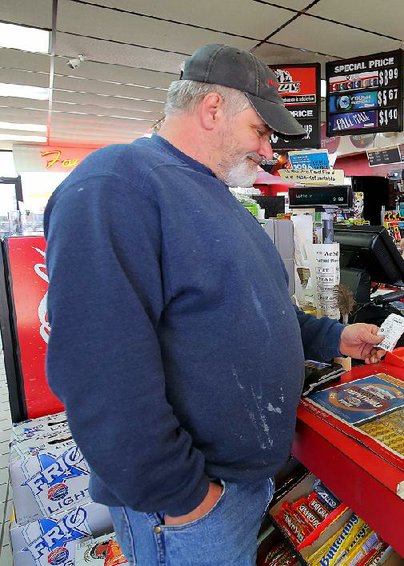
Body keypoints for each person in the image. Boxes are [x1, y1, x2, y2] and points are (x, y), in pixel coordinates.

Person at [44, 44, 385, 566]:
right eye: (260, 131)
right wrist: (186, 498)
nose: (269, 150)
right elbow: (98, 370)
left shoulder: (220, 197)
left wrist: (334, 336)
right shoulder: (117, 183)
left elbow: (257, 311)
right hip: (189, 504)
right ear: (212, 109)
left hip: (236, 486)